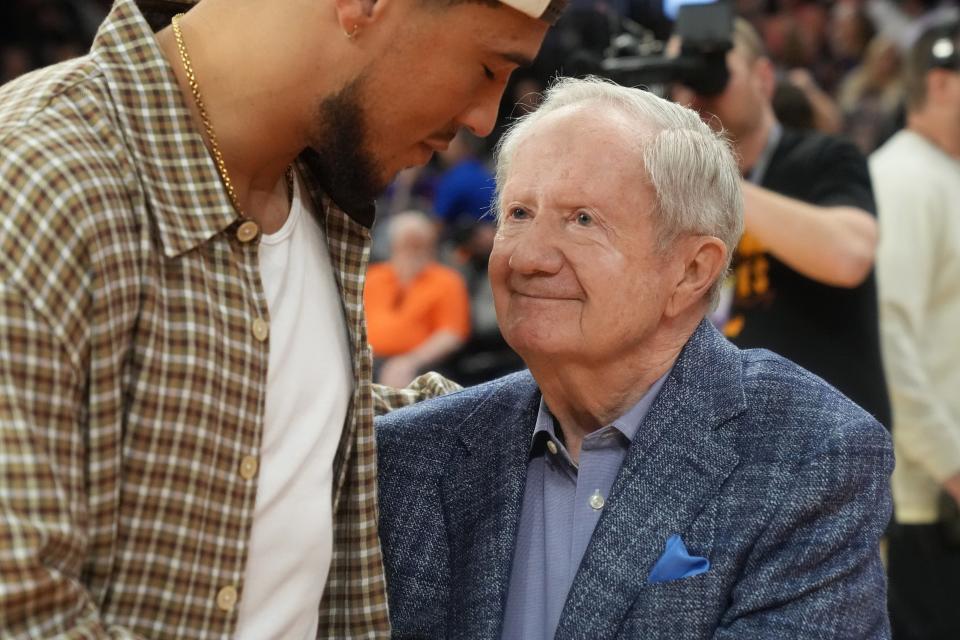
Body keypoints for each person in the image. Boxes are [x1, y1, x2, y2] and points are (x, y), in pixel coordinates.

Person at [0, 0, 557, 635]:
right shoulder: (36, 181)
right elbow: (24, 611)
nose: (483, 120)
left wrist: (581, 399)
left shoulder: (318, 192)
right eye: (487, 67)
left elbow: (287, 435)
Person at [376, 77, 893, 639]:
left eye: (583, 220)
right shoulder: (412, 455)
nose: (528, 258)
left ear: (692, 270)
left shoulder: (811, 454)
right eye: (519, 213)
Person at [676, 18, 891, 429]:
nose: (697, 91)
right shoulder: (670, 191)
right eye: (681, 76)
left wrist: (719, 181)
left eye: (712, 69)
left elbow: (851, 256)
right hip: (718, 440)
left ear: (763, 78)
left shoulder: (825, 157)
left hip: (830, 440)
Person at [870, 20, 960, 640]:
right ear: (943, 83)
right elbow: (889, 337)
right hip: (929, 499)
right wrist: (954, 466)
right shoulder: (903, 177)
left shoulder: (942, 173)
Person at [365, 211, 471, 387]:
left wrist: (410, 361)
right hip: (367, 361)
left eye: (419, 244)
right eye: (406, 244)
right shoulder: (373, 277)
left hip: (421, 365)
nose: (412, 252)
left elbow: (451, 334)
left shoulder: (447, 281)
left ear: (431, 246)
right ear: (393, 246)